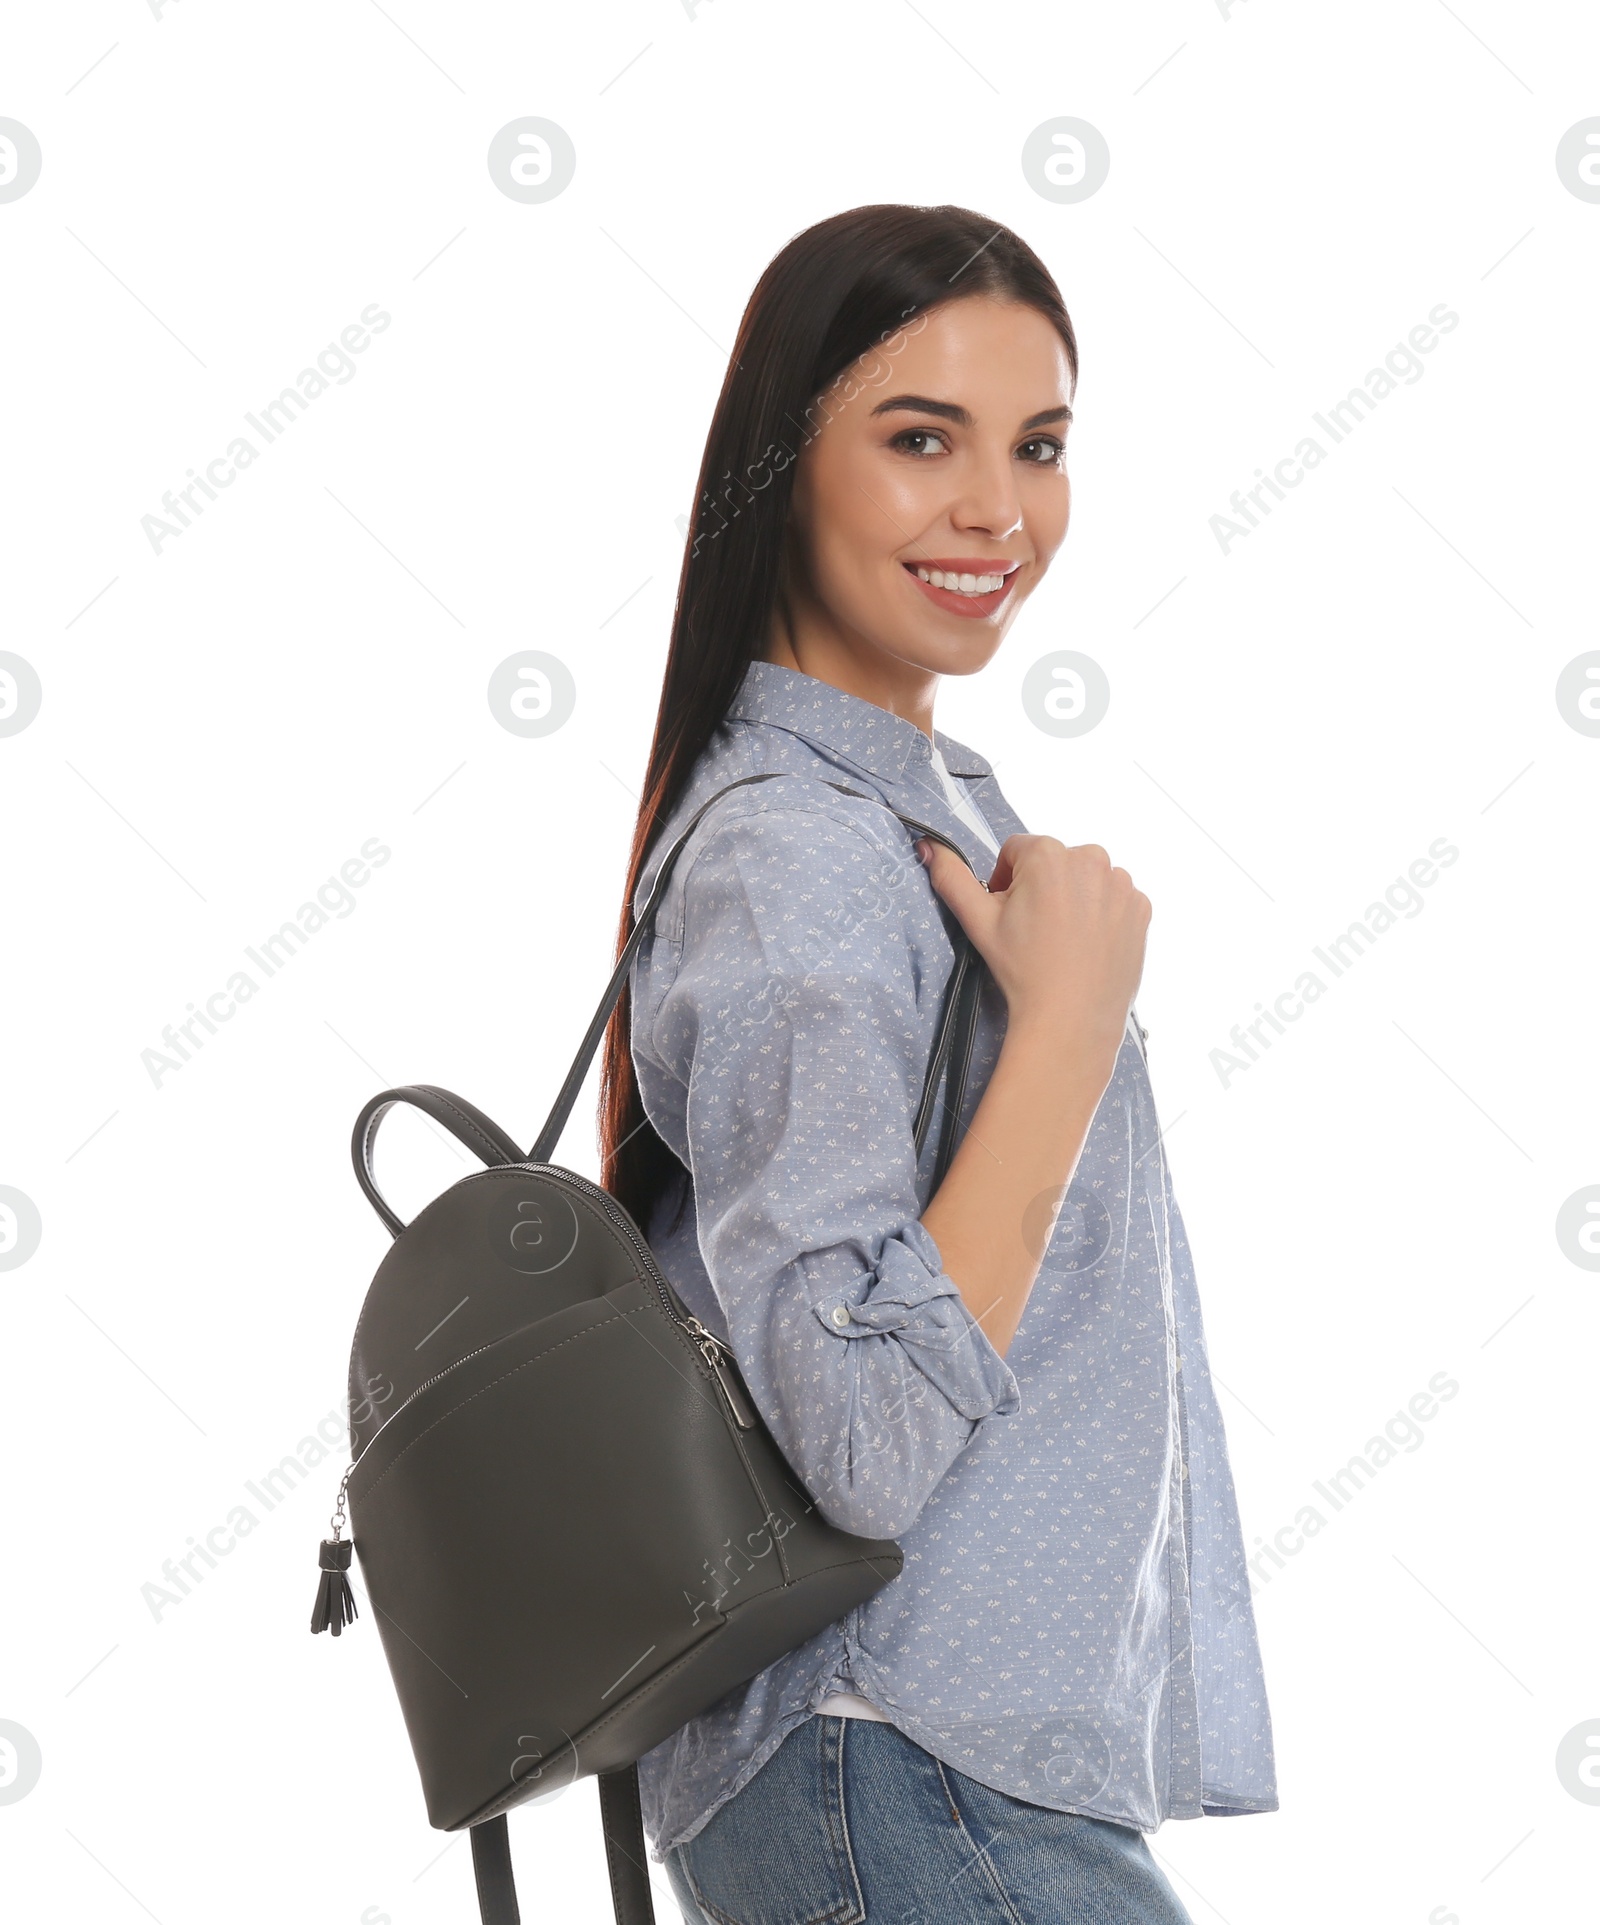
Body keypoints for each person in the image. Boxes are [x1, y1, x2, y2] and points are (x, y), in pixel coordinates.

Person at [598, 203, 1277, 1925]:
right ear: (783, 465)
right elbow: (865, 1434)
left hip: (923, 1762)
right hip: (895, 1753)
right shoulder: (800, 855)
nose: (999, 510)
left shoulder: (916, 810)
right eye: (921, 440)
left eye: (1038, 446)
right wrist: (1062, 1026)